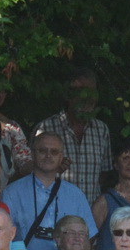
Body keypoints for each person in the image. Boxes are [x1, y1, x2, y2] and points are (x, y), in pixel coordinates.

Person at [2, 130, 96, 250]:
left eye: (54, 152)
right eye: (42, 150)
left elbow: (86, 241)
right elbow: (2, 238)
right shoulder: (12, 193)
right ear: (32, 154)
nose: (48, 155)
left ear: (61, 156)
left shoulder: (76, 195)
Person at [33, 68, 112, 197]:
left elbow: (104, 174)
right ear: (68, 96)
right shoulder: (46, 128)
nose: (87, 97)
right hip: (53, 211)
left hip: (89, 211)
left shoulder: (101, 130)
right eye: (81, 92)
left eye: (92, 92)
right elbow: (32, 172)